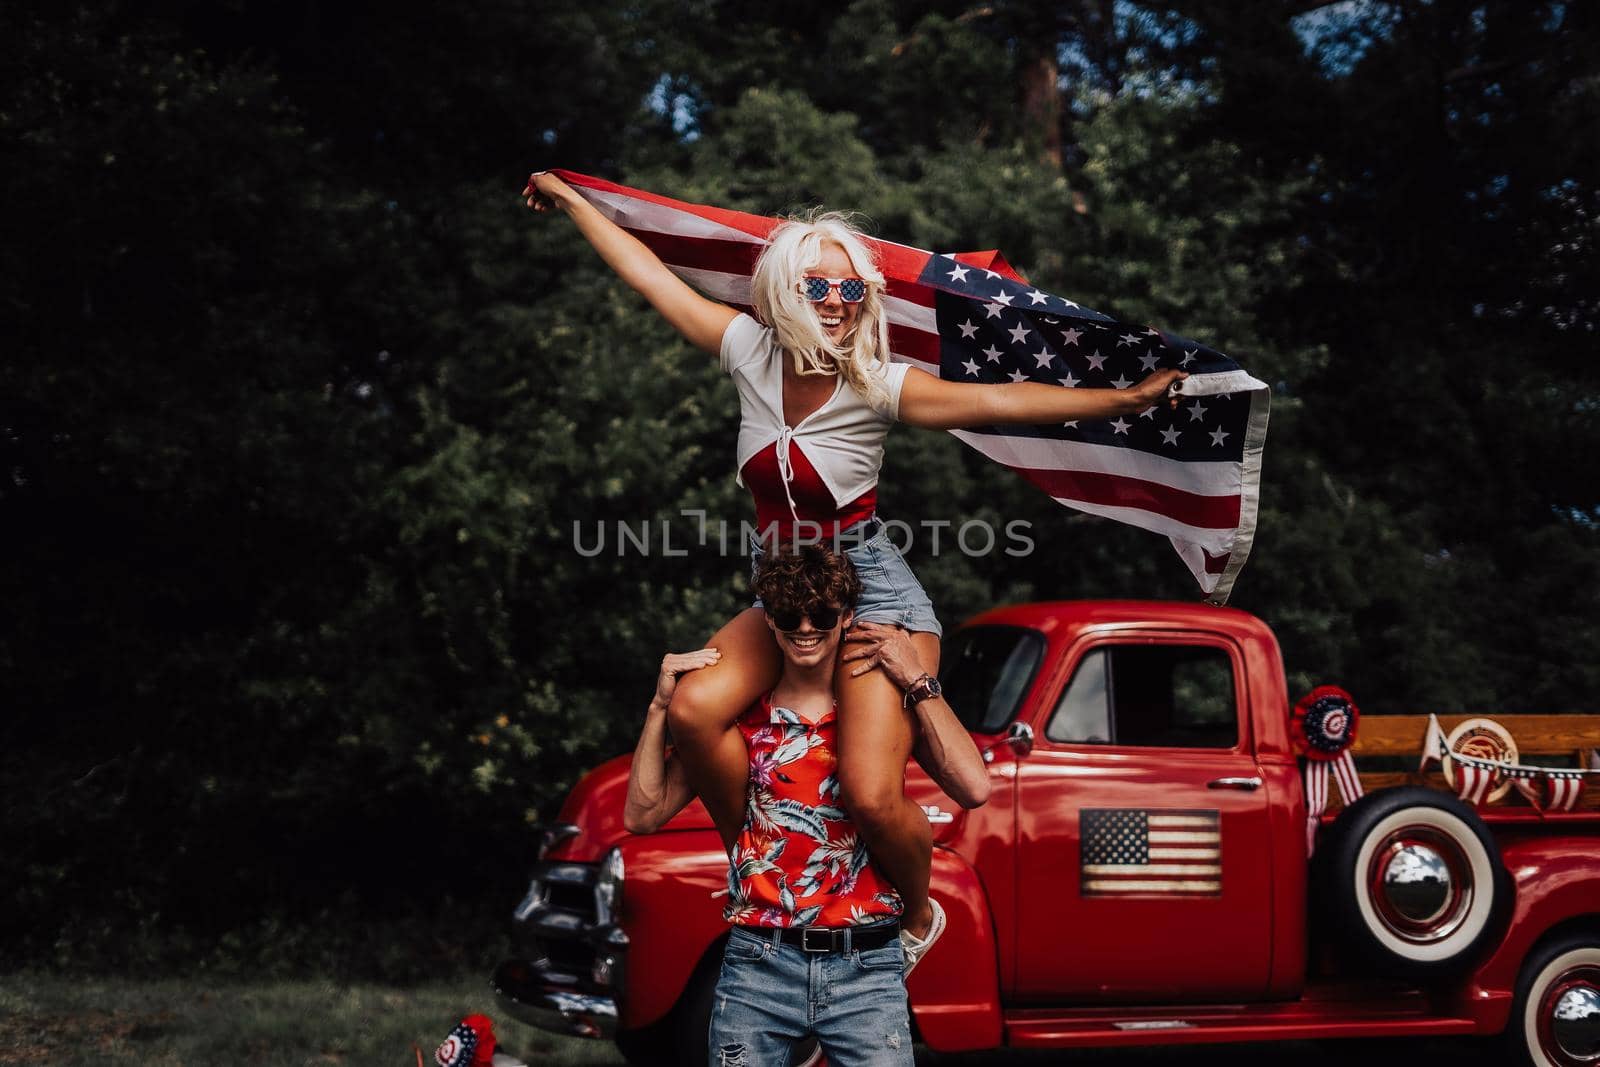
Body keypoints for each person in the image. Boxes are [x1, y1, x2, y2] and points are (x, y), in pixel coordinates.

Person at [524, 169, 1184, 960]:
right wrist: (572, 202)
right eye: (818, 285)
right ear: (783, 291)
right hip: (785, 588)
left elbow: (1004, 400)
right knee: (697, 709)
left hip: (871, 591)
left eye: (850, 288)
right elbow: (646, 272)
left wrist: (1121, 402)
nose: (837, 301)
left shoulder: (878, 385)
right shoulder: (744, 350)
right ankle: (766, 865)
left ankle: (913, 914)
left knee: (871, 791)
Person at [624, 544, 984, 1066]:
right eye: (790, 615)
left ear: (849, 617)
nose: (806, 627)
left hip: (866, 966)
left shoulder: (876, 722)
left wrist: (917, 681)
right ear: (768, 619)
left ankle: (919, 922)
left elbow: (974, 786)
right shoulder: (744, 722)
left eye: (823, 615)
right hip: (758, 964)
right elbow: (642, 813)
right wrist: (660, 706)